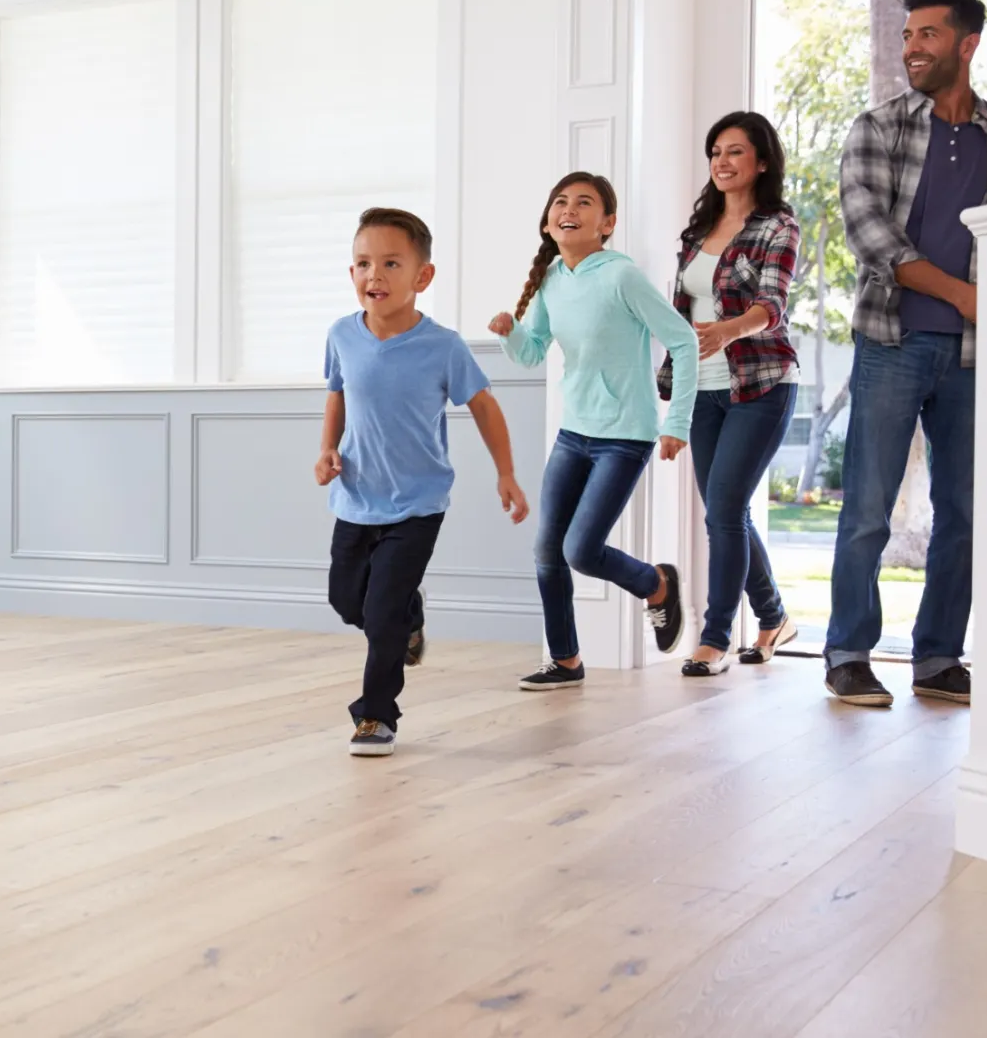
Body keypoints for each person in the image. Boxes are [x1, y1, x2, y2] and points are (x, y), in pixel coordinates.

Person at [825, 0, 987, 708]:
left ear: (967, 44)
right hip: (892, 341)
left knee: (964, 509)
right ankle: (849, 652)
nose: (912, 47)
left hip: (975, 357)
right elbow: (871, 236)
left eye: (927, 34)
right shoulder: (878, 127)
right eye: (906, 35)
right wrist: (962, 296)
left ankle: (938, 657)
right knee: (867, 506)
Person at [318, 207, 529, 756]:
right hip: (356, 499)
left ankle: (375, 716)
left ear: (422, 277)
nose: (375, 275)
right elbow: (337, 394)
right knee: (348, 602)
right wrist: (326, 451)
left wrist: (505, 472)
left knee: (381, 614)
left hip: (417, 504)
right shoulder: (342, 335)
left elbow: (484, 406)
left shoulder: (443, 346)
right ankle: (410, 616)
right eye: (364, 263)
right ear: (351, 273)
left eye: (391, 263)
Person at [488, 173, 698, 691]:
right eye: (561, 201)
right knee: (546, 552)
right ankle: (565, 661)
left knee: (580, 551)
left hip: (625, 434)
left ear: (607, 224)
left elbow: (685, 341)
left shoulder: (622, 277)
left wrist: (678, 422)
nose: (570, 209)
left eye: (585, 203)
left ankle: (657, 584)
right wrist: (510, 333)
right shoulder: (552, 279)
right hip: (574, 432)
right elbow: (533, 351)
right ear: (548, 221)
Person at [658, 111, 803, 676]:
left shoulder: (777, 227)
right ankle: (773, 618)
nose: (722, 160)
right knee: (728, 513)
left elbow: (773, 304)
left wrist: (728, 329)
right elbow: (679, 313)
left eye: (735, 151)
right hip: (703, 392)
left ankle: (714, 637)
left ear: (761, 161)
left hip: (760, 384)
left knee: (722, 512)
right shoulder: (697, 234)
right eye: (715, 151)